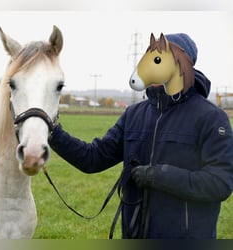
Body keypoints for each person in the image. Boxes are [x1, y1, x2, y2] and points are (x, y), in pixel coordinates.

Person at [48, 33, 233, 239]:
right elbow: (93, 158)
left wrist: (159, 175)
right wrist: (53, 133)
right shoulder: (133, 115)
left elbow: (220, 183)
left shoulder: (211, 118)